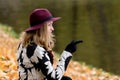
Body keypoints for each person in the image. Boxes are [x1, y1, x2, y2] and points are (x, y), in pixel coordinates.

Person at [17, 8, 82, 80]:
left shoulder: (24, 43)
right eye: (49, 25)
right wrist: (68, 52)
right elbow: (55, 77)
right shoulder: (36, 50)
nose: (52, 28)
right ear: (41, 28)